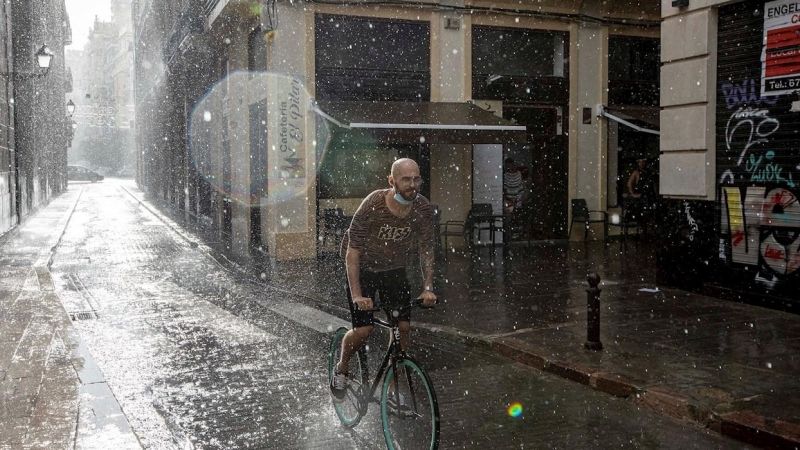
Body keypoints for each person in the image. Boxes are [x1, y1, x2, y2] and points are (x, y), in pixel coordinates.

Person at [330, 158, 437, 401]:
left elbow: (427, 249)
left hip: (393, 270)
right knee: (364, 329)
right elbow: (352, 253)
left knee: (403, 328)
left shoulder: (422, 209)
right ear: (392, 181)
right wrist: (358, 295)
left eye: (416, 179)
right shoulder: (373, 205)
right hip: (363, 268)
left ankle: (392, 385)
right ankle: (342, 367)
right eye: (406, 179)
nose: (413, 185)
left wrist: (428, 287)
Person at [626, 157, 655, 226]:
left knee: (649, 218)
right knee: (642, 219)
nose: (642, 164)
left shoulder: (649, 172)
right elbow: (629, 183)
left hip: (649, 196)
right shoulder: (636, 172)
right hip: (641, 197)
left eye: (643, 162)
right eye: (640, 162)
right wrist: (633, 194)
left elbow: (653, 184)